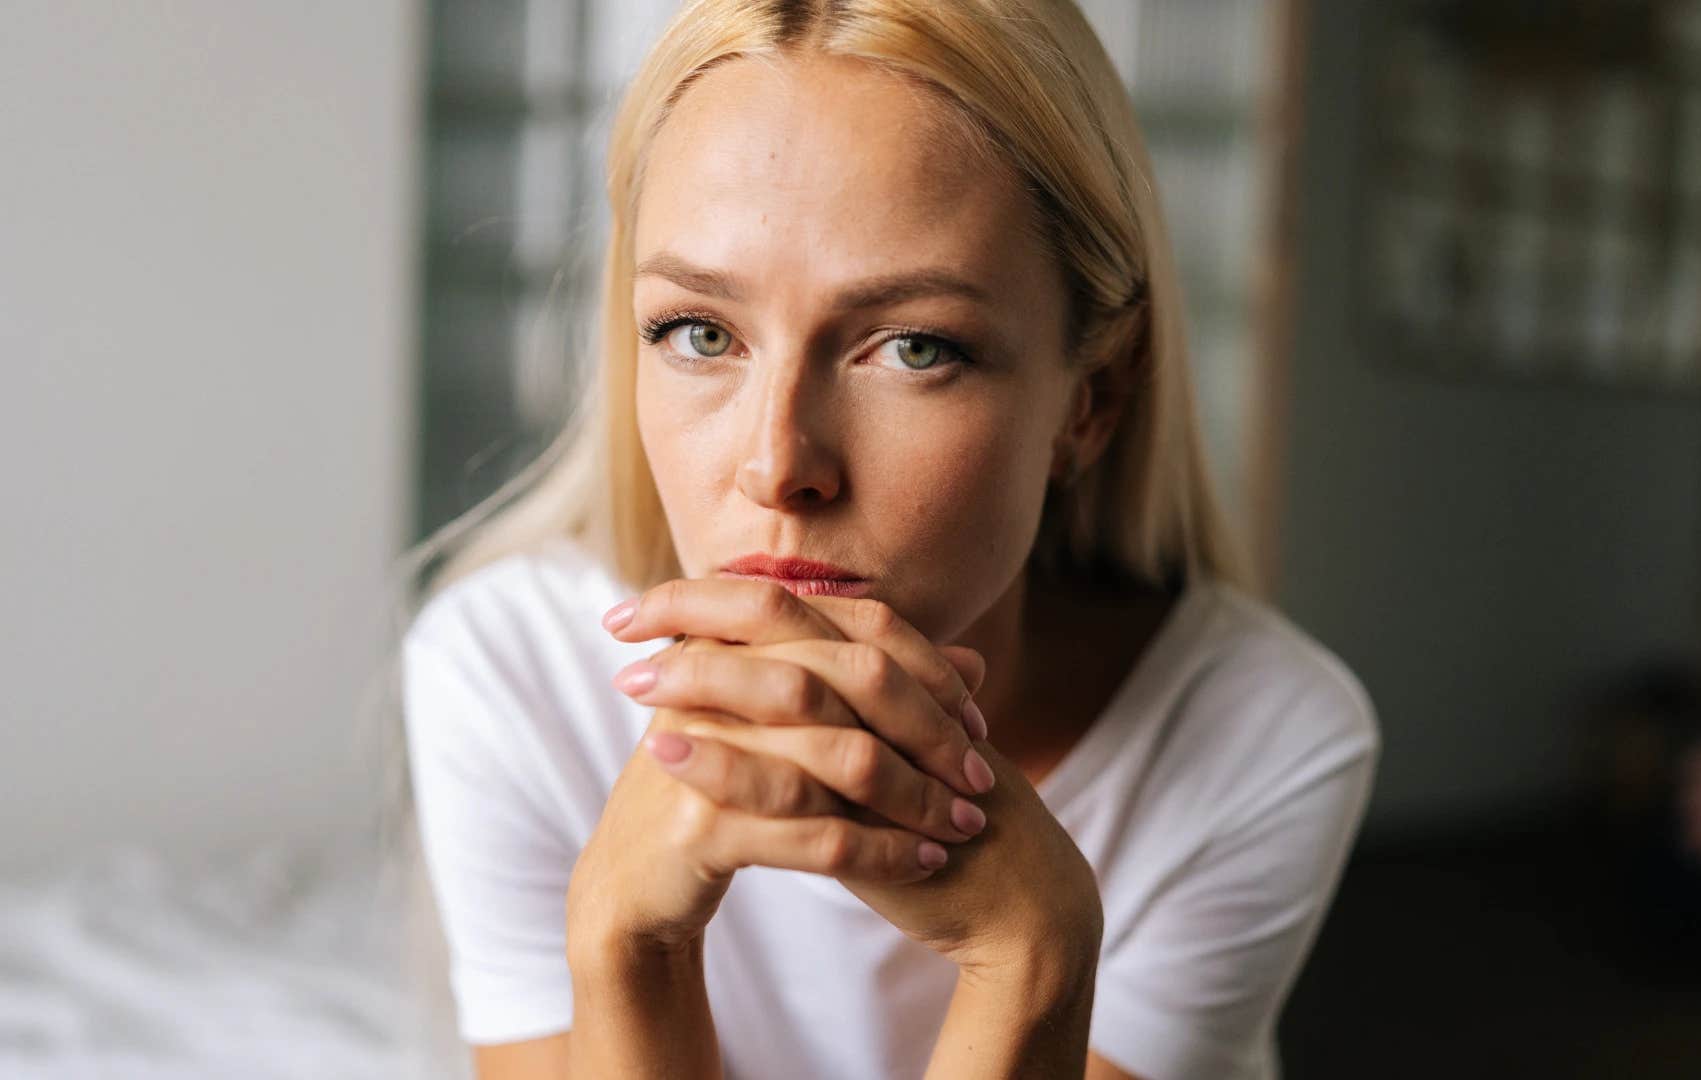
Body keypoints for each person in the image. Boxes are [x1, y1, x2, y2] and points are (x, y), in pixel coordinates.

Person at [399, 1, 1379, 1076]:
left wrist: (1036, 959)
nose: (779, 464)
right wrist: (626, 945)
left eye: (915, 347)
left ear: (1089, 399)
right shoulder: (510, 671)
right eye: (700, 332)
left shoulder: (1260, 737)